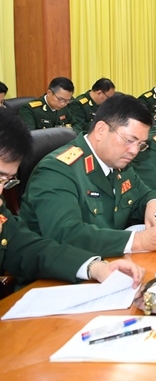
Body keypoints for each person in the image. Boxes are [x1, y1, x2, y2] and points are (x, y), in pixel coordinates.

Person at [19, 94, 156, 257]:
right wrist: (138, 241)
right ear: (101, 130)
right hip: (57, 276)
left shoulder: (118, 162)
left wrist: (154, 203)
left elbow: (144, 193)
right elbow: (66, 234)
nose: (134, 151)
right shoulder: (56, 170)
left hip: (109, 262)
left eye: (141, 145)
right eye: (130, 140)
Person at [0, 109, 144, 286]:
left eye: (5, 180)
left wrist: (93, 267)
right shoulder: (56, 169)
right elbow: (66, 233)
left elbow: (26, 249)